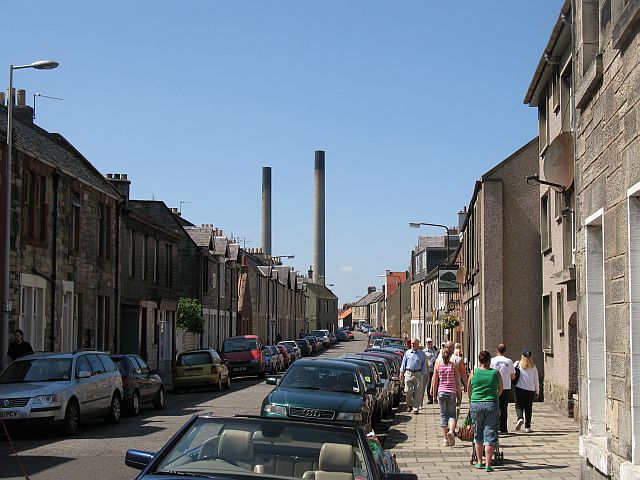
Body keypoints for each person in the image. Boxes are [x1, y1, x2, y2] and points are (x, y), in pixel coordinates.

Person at [468, 350, 503, 472]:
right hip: (491, 404)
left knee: (478, 432)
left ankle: (479, 462)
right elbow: (500, 390)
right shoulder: (495, 373)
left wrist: (473, 398)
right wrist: (493, 395)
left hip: (476, 404)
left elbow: (469, 389)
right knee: (490, 432)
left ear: (479, 360)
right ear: (489, 361)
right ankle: (488, 464)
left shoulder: (474, 372)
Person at [430, 348, 462, 446]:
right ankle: (451, 432)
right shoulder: (453, 366)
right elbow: (457, 382)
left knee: (443, 415)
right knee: (452, 414)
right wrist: (459, 395)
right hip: (451, 392)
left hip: (441, 392)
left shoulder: (438, 366)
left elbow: (435, 381)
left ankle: (445, 439)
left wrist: (434, 396)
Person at [490, 344, 516, 434]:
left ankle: (495, 427)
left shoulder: (492, 361)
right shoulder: (509, 361)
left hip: (494, 387)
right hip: (506, 387)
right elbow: (513, 376)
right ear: (505, 351)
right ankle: (503, 428)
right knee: (504, 408)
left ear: (497, 350)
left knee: (494, 407)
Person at [513, 349, 539, 433]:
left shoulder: (517, 364)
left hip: (519, 388)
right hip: (530, 389)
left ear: (522, 356)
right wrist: (537, 391)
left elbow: (513, 374)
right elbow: (536, 380)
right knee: (528, 408)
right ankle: (528, 426)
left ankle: (520, 418)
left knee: (519, 405)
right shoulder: (533, 367)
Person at [399, 338, 427, 414]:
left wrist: (424, 375)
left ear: (418, 344)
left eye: (414, 343)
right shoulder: (407, 353)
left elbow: (424, 365)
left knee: (418, 392)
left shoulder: (422, 354)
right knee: (408, 391)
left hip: (418, 373)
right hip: (408, 373)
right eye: (412, 343)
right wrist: (401, 372)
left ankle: (416, 408)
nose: (412, 345)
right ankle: (409, 404)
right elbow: (403, 363)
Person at [424, 338, 439, 404]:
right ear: (426, 343)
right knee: (429, 384)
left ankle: (435, 397)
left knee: (436, 384)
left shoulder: (436, 350)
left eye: (430, 342)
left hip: (436, 370)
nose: (429, 343)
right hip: (428, 370)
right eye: (428, 342)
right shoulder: (424, 351)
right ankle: (430, 399)